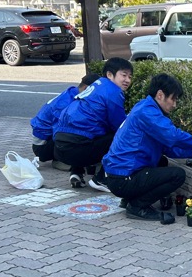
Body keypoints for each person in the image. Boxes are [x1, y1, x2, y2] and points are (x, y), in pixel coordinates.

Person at [103, 72, 192, 222]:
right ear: (160, 95)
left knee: (162, 162)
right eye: (173, 99)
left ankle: (129, 198)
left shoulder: (145, 107)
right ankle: (137, 206)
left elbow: (167, 148)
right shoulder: (147, 113)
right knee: (177, 175)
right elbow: (172, 134)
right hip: (123, 177)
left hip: (120, 175)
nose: (175, 104)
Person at [53, 57, 132, 191]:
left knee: (88, 132)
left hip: (58, 147)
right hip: (77, 149)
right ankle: (101, 179)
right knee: (121, 137)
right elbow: (119, 126)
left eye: (130, 76)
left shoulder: (97, 86)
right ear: (109, 75)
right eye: (123, 75)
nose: (128, 80)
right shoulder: (113, 91)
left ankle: (76, 172)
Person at [30, 73, 100, 165]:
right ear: (87, 89)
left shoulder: (73, 92)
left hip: (46, 139)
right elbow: (60, 132)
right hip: (42, 146)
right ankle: (61, 160)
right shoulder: (66, 104)